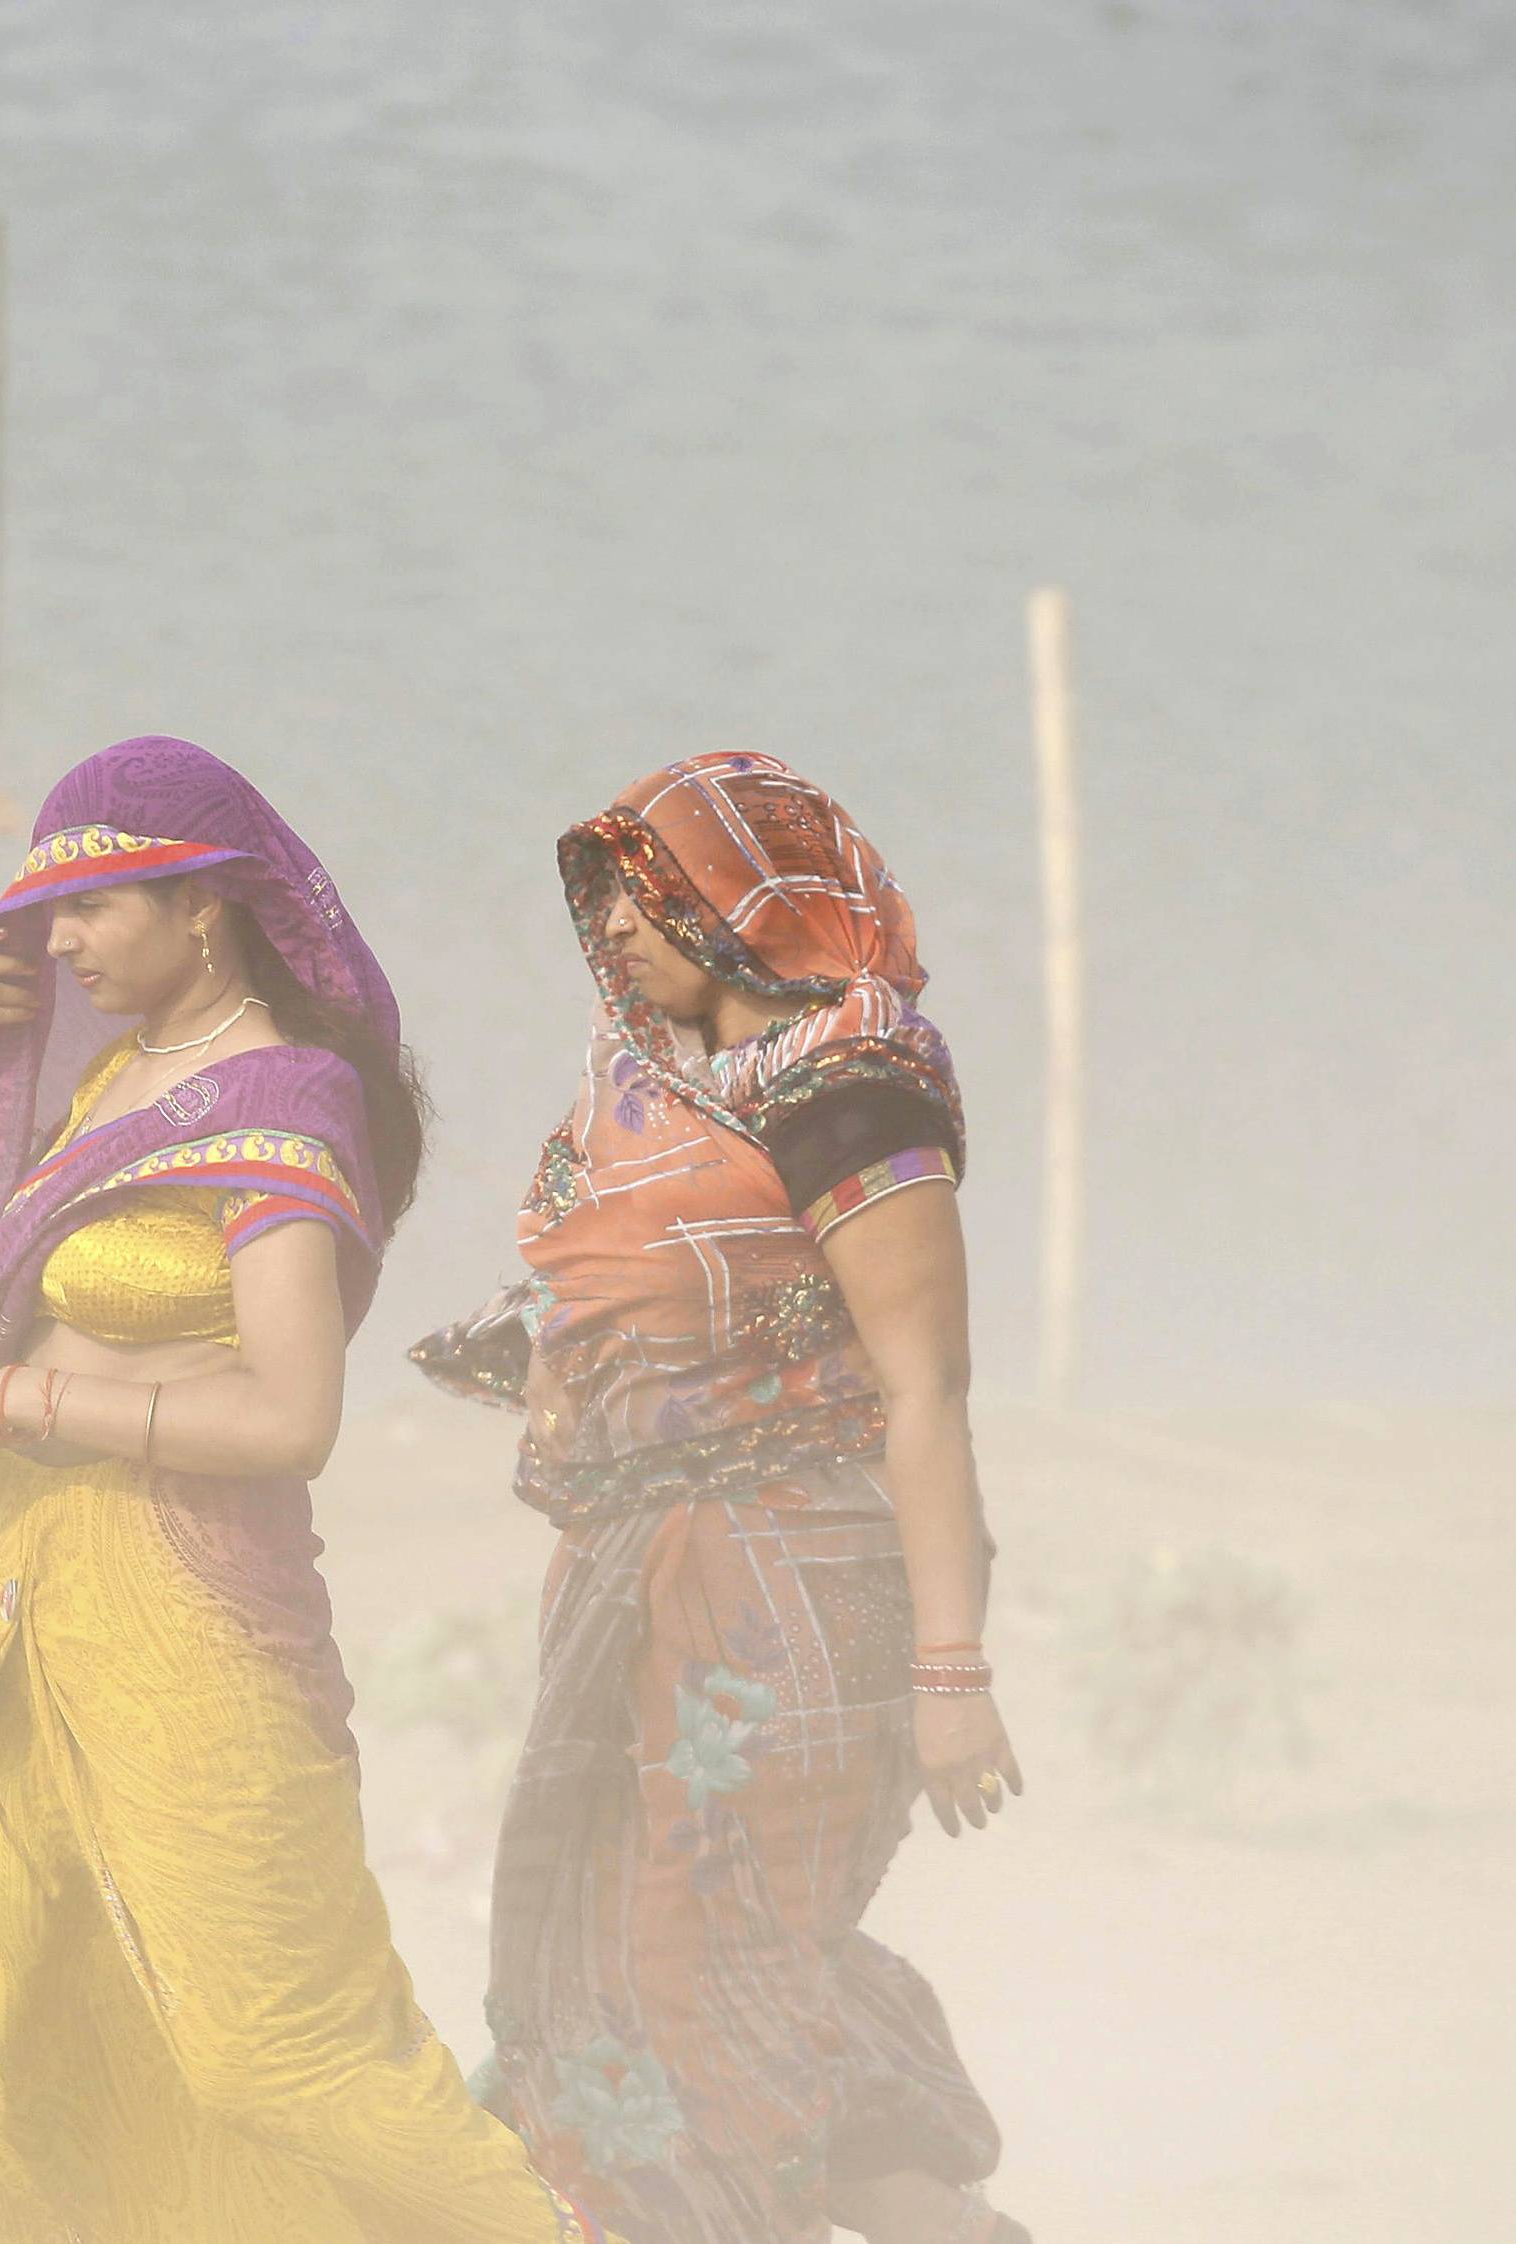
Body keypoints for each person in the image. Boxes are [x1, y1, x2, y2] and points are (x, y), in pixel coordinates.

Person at [0, 736, 615, 2244]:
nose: (58, 944)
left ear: (205, 909)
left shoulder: (288, 1100)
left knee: (280, 2055)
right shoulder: (123, 1078)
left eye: (93, 909)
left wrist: (8, 1404)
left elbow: (292, 1413)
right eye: (47, 914)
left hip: (189, 1613)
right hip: (28, 1604)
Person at [412, 751, 1029, 2244]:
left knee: (695, 1981)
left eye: (645, 897)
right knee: (667, 1975)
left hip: (793, 1597)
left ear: (735, 898)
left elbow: (924, 1393)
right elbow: (661, 1308)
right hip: (649, 1591)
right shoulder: (659, 1102)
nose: (612, 931)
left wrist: (953, 1678)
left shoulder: (851, 1087)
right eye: (603, 906)